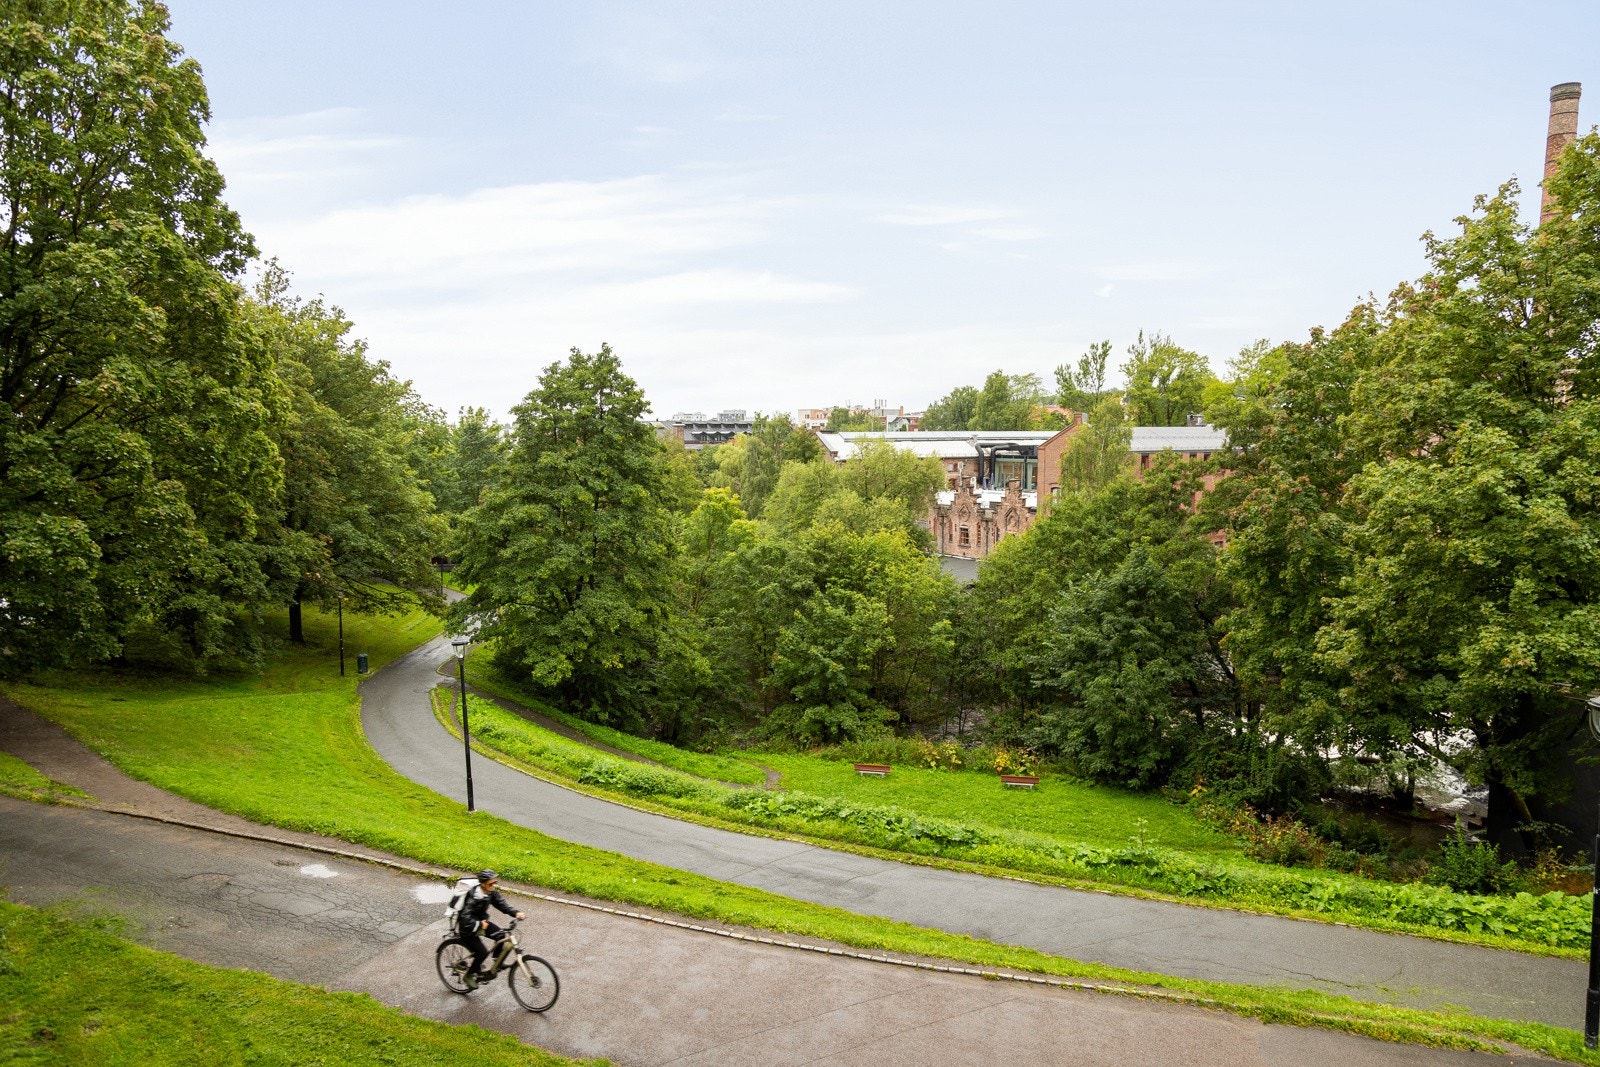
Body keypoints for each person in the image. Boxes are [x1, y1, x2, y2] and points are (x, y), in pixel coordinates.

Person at [456, 868, 524, 988]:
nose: (493, 885)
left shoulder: (490, 892)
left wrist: (515, 913)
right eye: (490, 883)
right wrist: (479, 924)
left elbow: (501, 904)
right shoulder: (473, 896)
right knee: (482, 952)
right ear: (482, 884)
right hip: (467, 928)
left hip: (482, 923)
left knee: (501, 935)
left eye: (494, 883)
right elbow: (465, 917)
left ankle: (497, 961)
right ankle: (468, 976)